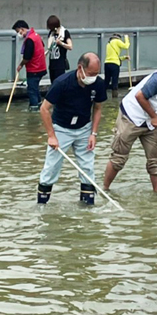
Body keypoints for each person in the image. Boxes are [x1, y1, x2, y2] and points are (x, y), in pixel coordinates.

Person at [37, 52, 107, 205]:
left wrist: (93, 133)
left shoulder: (98, 84)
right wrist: (51, 135)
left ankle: (87, 206)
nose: (93, 77)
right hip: (61, 128)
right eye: (90, 74)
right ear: (80, 68)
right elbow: (44, 109)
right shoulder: (62, 83)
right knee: (51, 168)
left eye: (96, 74)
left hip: (84, 128)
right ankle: (42, 205)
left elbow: (97, 109)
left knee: (87, 168)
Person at [12, 20, 48, 111]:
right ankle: (40, 106)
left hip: (34, 69)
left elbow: (27, 57)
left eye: (18, 31)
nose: (18, 34)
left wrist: (20, 65)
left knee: (32, 90)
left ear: (22, 29)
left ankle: (34, 108)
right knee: (35, 89)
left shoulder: (29, 40)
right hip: (41, 68)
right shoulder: (36, 36)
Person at [45, 15, 73, 84]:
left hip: (60, 64)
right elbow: (49, 47)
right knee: (53, 83)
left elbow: (70, 46)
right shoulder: (51, 33)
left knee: (60, 83)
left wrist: (61, 43)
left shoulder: (64, 33)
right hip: (52, 63)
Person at [104, 33, 131, 98]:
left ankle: (102, 95)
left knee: (106, 81)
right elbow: (126, 46)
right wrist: (126, 38)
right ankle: (114, 97)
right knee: (114, 81)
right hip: (114, 64)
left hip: (107, 63)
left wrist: (124, 57)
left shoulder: (108, 44)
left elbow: (113, 56)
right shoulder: (117, 41)